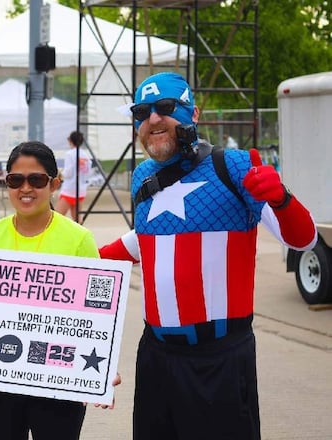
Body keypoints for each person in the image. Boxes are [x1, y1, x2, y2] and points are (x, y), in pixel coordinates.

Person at [99, 72, 317, 439]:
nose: (153, 119)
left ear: (193, 113)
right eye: (142, 111)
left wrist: (280, 198)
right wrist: (78, 262)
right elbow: (147, 238)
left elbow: (304, 240)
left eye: (165, 108)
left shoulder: (232, 166)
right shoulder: (141, 177)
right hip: (156, 357)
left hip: (220, 361)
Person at [0, 141, 101, 440]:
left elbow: (97, 312)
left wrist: (102, 365)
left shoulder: (78, 239)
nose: (25, 188)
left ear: (54, 183)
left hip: (58, 380)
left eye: (37, 180)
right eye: (16, 180)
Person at [55, 131, 92, 222]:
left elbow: (68, 172)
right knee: (77, 218)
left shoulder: (70, 154)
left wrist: (60, 174)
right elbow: (88, 172)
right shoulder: (85, 155)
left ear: (71, 141)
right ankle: (82, 235)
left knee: (57, 217)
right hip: (81, 190)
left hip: (69, 190)